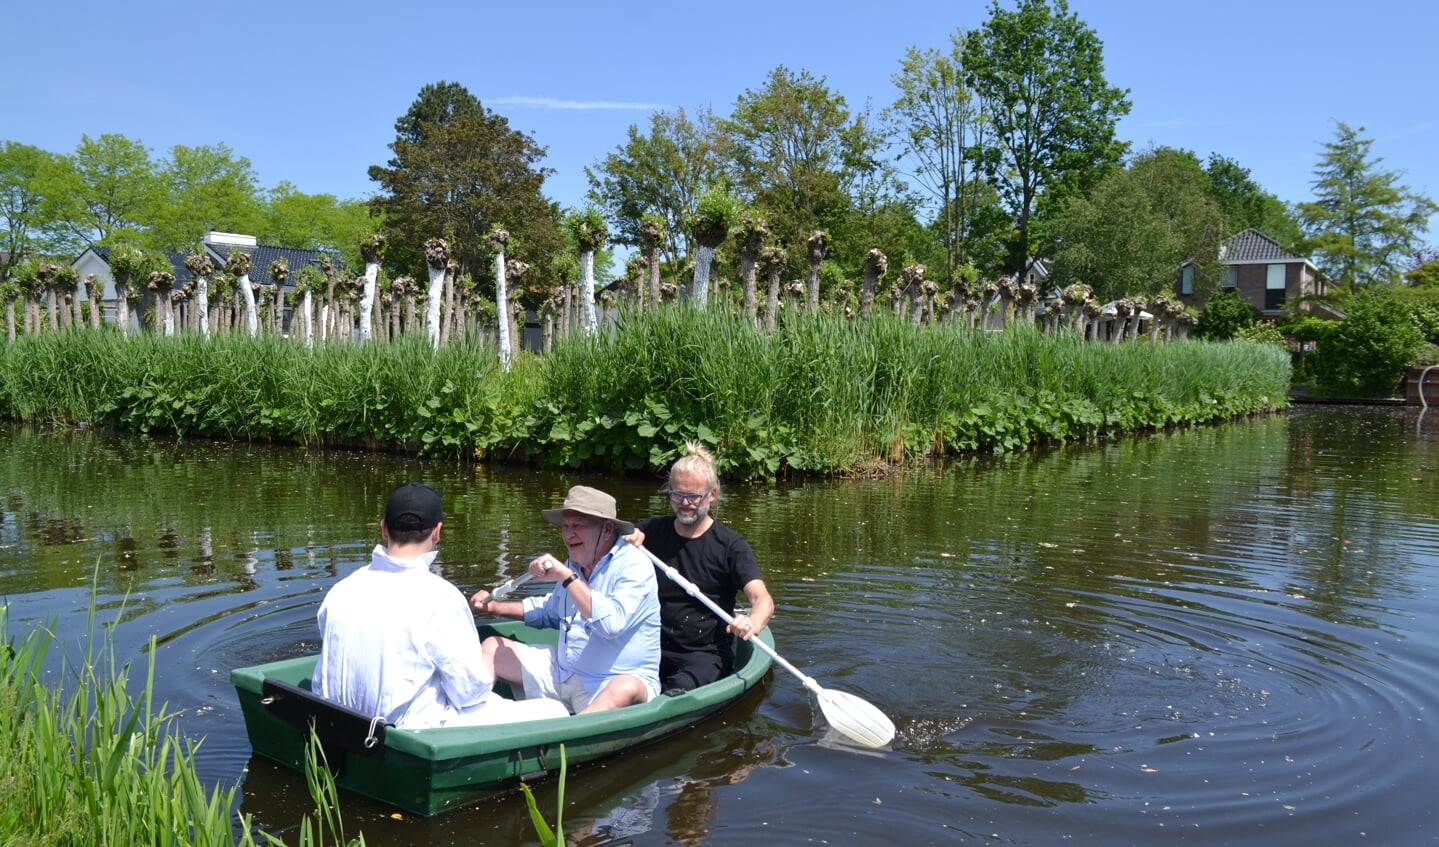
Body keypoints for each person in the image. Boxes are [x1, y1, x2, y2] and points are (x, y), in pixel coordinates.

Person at [314, 482, 567, 728]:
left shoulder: (341, 590)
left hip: (341, 725)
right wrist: (485, 670)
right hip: (413, 732)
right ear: (437, 531)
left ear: (383, 528)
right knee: (555, 711)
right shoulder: (441, 597)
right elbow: (468, 693)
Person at [470, 485, 659, 714]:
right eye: (565, 526)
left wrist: (567, 577)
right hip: (565, 671)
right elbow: (550, 612)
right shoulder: (576, 561)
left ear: (607, 529)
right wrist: (495, 607)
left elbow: (611, 625)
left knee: (625, 686)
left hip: (608, 680)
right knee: (492, 647)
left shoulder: (635, 565)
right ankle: (471, 720)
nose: (569, 535)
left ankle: (574, 737)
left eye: (578, 526)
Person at [632, 443, 774, 693]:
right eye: (677, 494)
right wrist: (626, 537)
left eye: (694, 496)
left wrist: (753, 622)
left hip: (704, 654)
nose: (685, 503)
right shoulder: (651, 531)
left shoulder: (731, 546)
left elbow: (761, 598)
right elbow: (607, 539)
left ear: (712, 494)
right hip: (650, 646)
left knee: (677, 690)